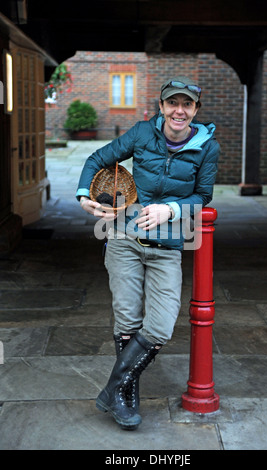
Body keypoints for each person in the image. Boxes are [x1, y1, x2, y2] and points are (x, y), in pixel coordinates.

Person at [76, 76, 220, 430]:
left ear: (195, 111)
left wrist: (170, 209)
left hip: (168, 245)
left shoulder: (207, 147)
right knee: (126, 319)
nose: (179, 111)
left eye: (187, 105)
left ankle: (112, 389)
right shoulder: (142, 133)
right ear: (162, 107)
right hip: (125, 238)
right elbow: (98, 157)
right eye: (173, 103)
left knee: (160, 325)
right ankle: (125, 399)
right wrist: (83, 194)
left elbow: (203, 196)